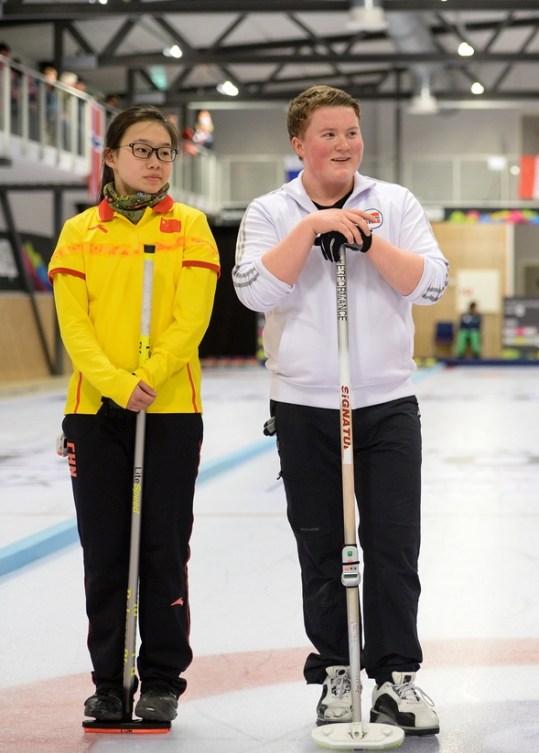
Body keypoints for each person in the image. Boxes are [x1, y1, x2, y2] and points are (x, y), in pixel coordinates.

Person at [232, 85, 448, 736]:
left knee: (392, 545)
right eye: (328, 134)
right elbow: (254, 290)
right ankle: (334, 671)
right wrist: (312, 228)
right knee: (323, 543)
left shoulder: (394, 203)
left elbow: (430, 281)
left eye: (351, 132)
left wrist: (365, 240)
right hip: (304, 405)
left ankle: (396, 677)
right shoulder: (272, 210)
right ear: (298, 144)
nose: (344, 144)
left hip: (384, 401)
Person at [48, 104, 219, 724]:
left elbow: (191, 319)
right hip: (96, 412)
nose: (154, 162)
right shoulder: (79, 234)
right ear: (112, 157)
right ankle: (109, 680)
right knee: (106, 550)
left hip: (171, 408)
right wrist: (117, 384)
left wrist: (149, 377)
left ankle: (163, 679)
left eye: (164, 152)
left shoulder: (193, 226)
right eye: (141, 150)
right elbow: (75, 325)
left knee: (164, 548)